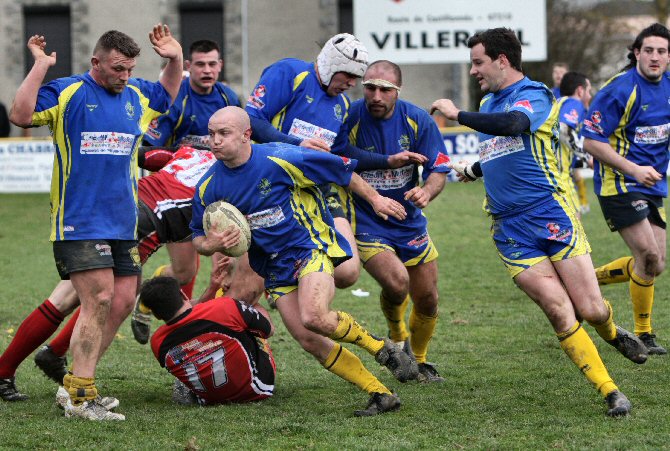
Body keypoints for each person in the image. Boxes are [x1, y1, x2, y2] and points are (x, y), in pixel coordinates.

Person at [431, 27, 648, 417]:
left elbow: (515, 126)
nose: (473, 70)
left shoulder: (534, 95)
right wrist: (476, 169)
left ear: (502, 60)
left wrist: (457, 114)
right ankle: (611, 392)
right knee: (558, 309)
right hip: (508, 228)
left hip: (550, 213)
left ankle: (613, 333)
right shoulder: (489, 100)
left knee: (591, 309)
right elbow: (507, 149)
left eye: (478, 62)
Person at [5, 25, 183, 420]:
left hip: (124, 221)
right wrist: (40, 67)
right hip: (80, 221)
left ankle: (75, 389)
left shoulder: (136, 94)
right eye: (118, 68)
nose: (124, 76)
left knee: (120, 301)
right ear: (96, 63)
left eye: (130, 69)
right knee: (98, 298)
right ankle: (82, 397)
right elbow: (20, 114)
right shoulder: (69, 92)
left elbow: (168, 94)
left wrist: (174, 58)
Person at [192, 106, 418, 416]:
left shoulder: (280, 158)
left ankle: (382, 348)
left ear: (247, 136)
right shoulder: (208, 186)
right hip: (274, 268)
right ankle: (379, 393)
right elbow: (197, 239)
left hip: (309, 249)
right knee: (310, 339)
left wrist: (376, 199)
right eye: (212, 134)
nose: (214, 141)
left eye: (223, 133)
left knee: (314, 316)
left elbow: (341, 169)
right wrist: (211, 243)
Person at [0, 144, 219, 403]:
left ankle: (17, 368)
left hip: (114, 205)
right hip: (139, 222)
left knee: (73, 297)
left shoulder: (189, 151)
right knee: (113, 300)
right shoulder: (233, 175)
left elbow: (139, 156)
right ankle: (73, 385)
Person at [245, 33, 426, 289]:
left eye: (355, 78)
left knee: (348, 270)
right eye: (348, 75)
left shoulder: (342, 104)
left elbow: (342, 154)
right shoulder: (290, 73)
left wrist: (388, 160)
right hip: (271, 187)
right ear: (330, 63)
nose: (351, 84)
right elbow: (251, 119)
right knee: (246, 285)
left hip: (316, 189)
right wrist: (297, 145)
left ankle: (294, 275)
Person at [343, 60, 449, 382]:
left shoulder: (417, 120)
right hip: (368, 219)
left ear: (397, 92)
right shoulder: (350, 117)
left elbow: (439, 167)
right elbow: (336, 159)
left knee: (428, 298)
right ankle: (397, 333)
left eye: (384, 89)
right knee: (397, 281)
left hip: (409, 220)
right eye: (370, 87)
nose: (376, 95)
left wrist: (426, 193)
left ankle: (416, 360)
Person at [582, 23, 670, 356]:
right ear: (636, 53)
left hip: (651, 185)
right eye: (648, 50)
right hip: (619, 183)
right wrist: (633, 168)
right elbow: (591, 141)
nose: (655, 57)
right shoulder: (619, 89)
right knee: (647, 255)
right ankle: (645, 334)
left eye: (662, 51)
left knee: (655, 264)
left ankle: (587, 280)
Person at [140, 276, 276, 405]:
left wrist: (212, 288)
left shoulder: (158, 342)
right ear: (183, 295)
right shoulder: (225, 307)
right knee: (247, 325)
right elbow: (269, 330)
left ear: (157, 315)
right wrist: (253, 302)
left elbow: (191, 321)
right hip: (257, 389)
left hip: (210, 399)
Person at [144, 39, 240, 148]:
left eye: (212, 64)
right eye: (200, 64)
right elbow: (149, 147)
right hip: (178, 163)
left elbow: (240, 142)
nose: (207, 70)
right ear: (188, 66)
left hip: (219, 163)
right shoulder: (173, 98)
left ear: (220, 65)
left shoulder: (229, 97)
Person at [556, 71, 593, 217]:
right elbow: (564, 130)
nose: (590, 95)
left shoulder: (558, 103)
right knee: (574, 227)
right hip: (560, 177)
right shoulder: (574, 103)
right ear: (580, 90)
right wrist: (587, 158)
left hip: (550, 174)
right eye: (589, 91)